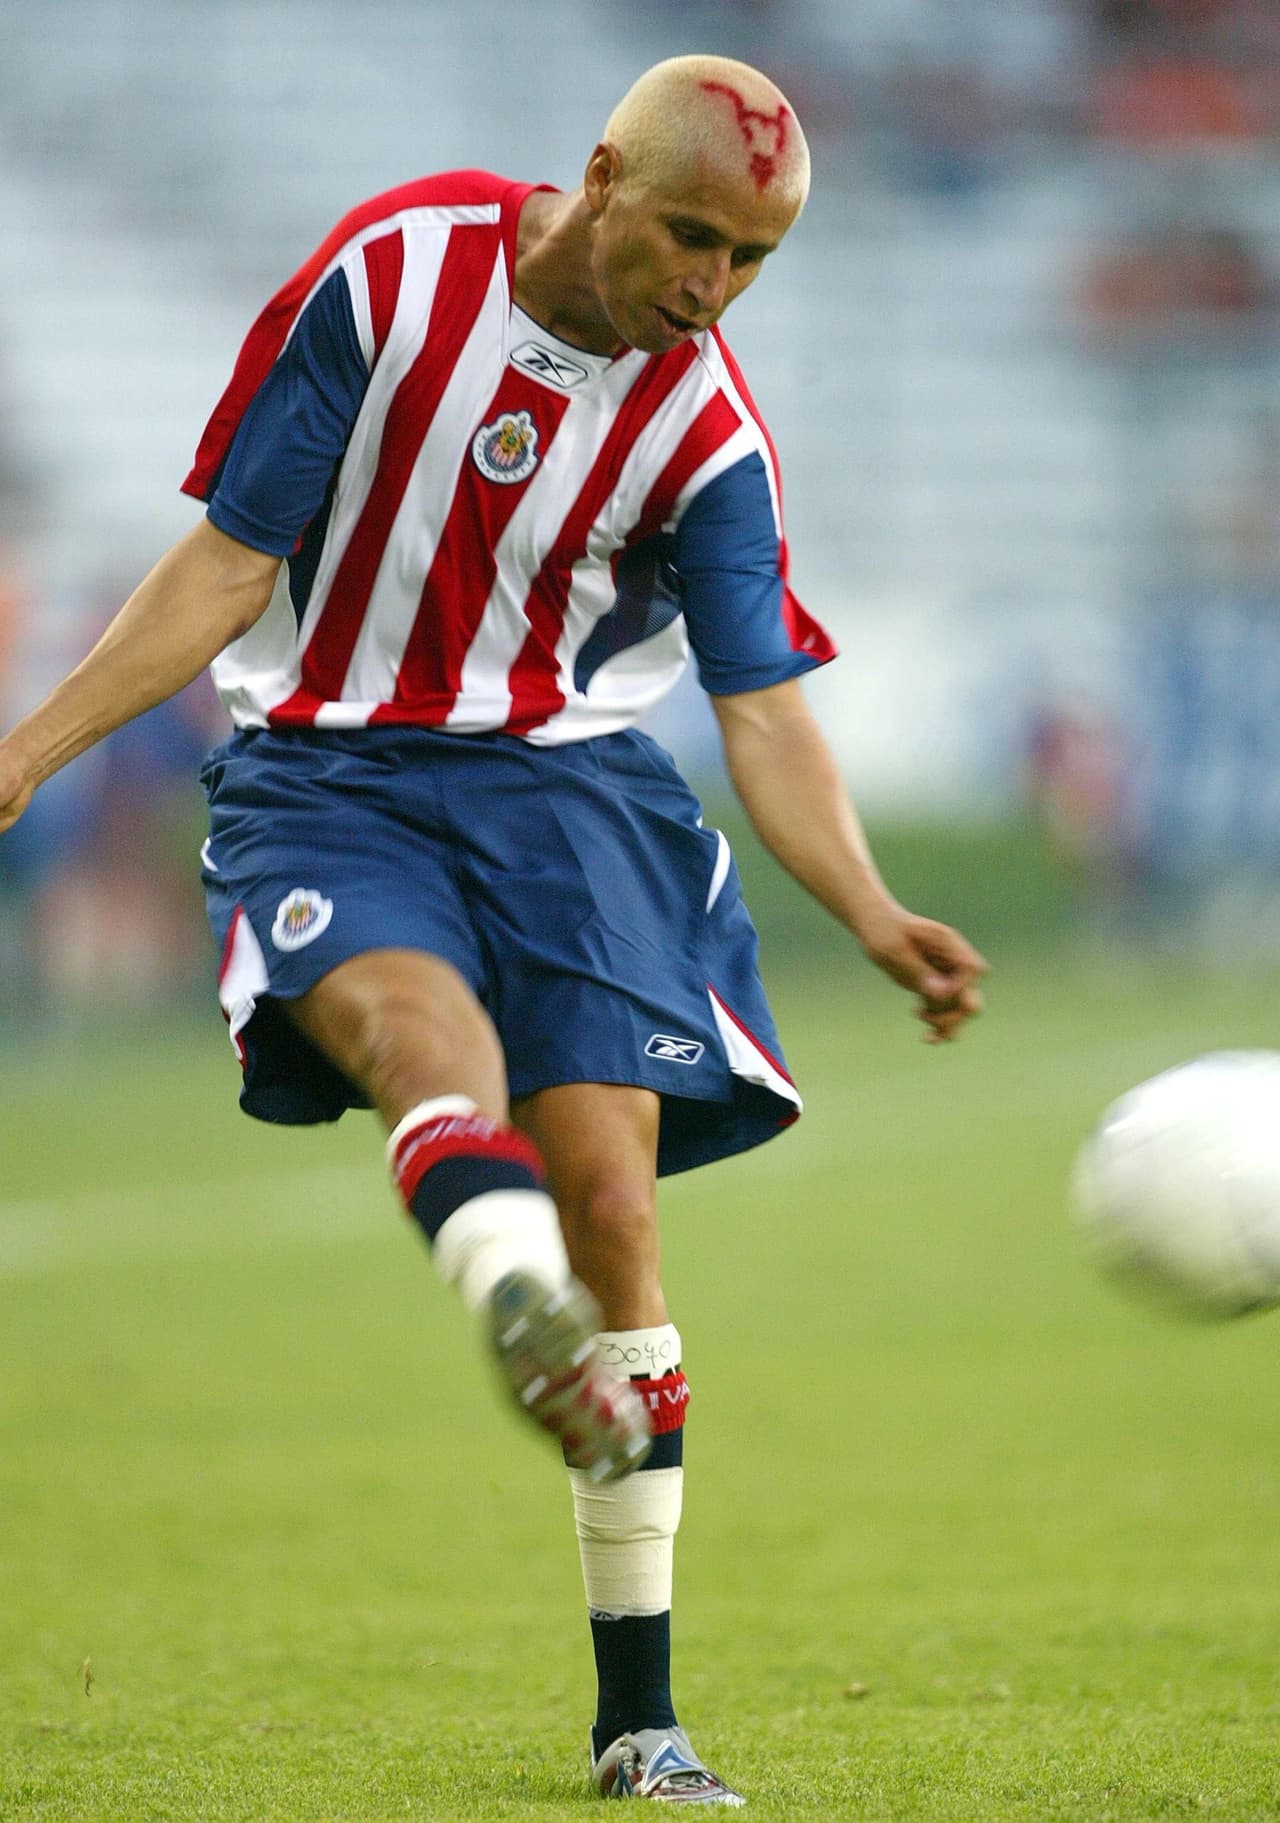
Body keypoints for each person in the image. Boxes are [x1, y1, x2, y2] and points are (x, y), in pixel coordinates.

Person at [0, 54, 986, 1807]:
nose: (710, 287)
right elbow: (231, 561)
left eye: (752, 260)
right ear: (602, 173)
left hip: (569, 797)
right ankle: (505, 1286)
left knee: (613, 1204)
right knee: (418, 1049)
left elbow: (762, 710)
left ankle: (640, 1721)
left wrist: (873, 906)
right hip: (328, 775)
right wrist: (30, 754)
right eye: (693, 234)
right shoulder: (390, 276)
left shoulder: (707, 430)